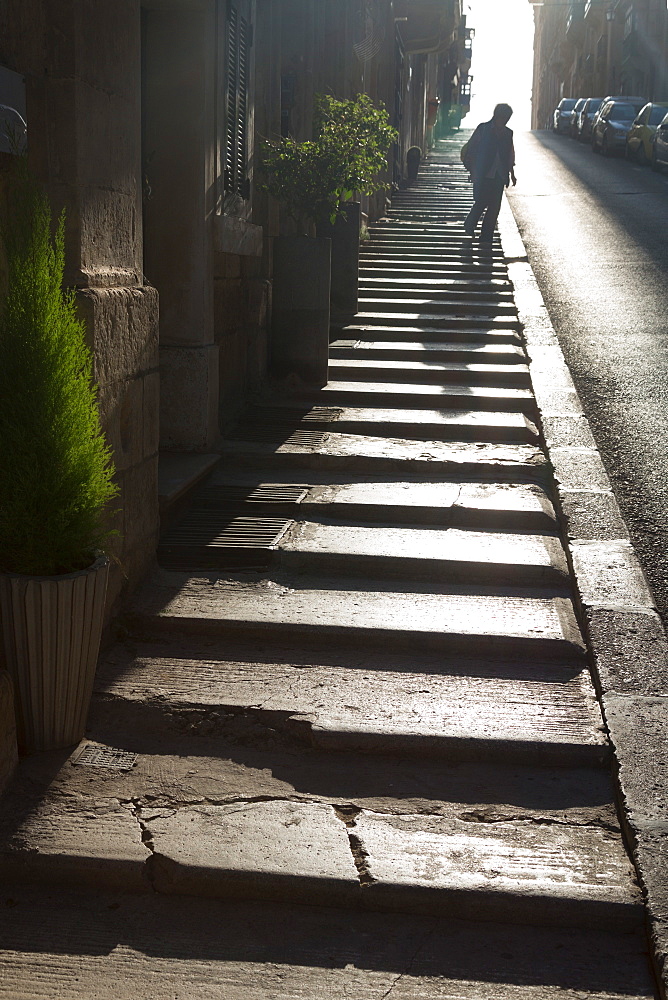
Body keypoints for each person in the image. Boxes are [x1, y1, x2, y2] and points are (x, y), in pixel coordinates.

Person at [463, 103, 517, 246]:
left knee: (495, 206)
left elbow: (510, 154)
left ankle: (486, 236)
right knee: (482, 201)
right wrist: (473, 170)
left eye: (507, 119)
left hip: (499, 174)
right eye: (504, 118)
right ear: (497, 116)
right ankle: (470, 223)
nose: (505, 121)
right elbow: (472, 150)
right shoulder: (484, 129)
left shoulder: (508, 133)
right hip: (484, 172)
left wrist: (512, 173)